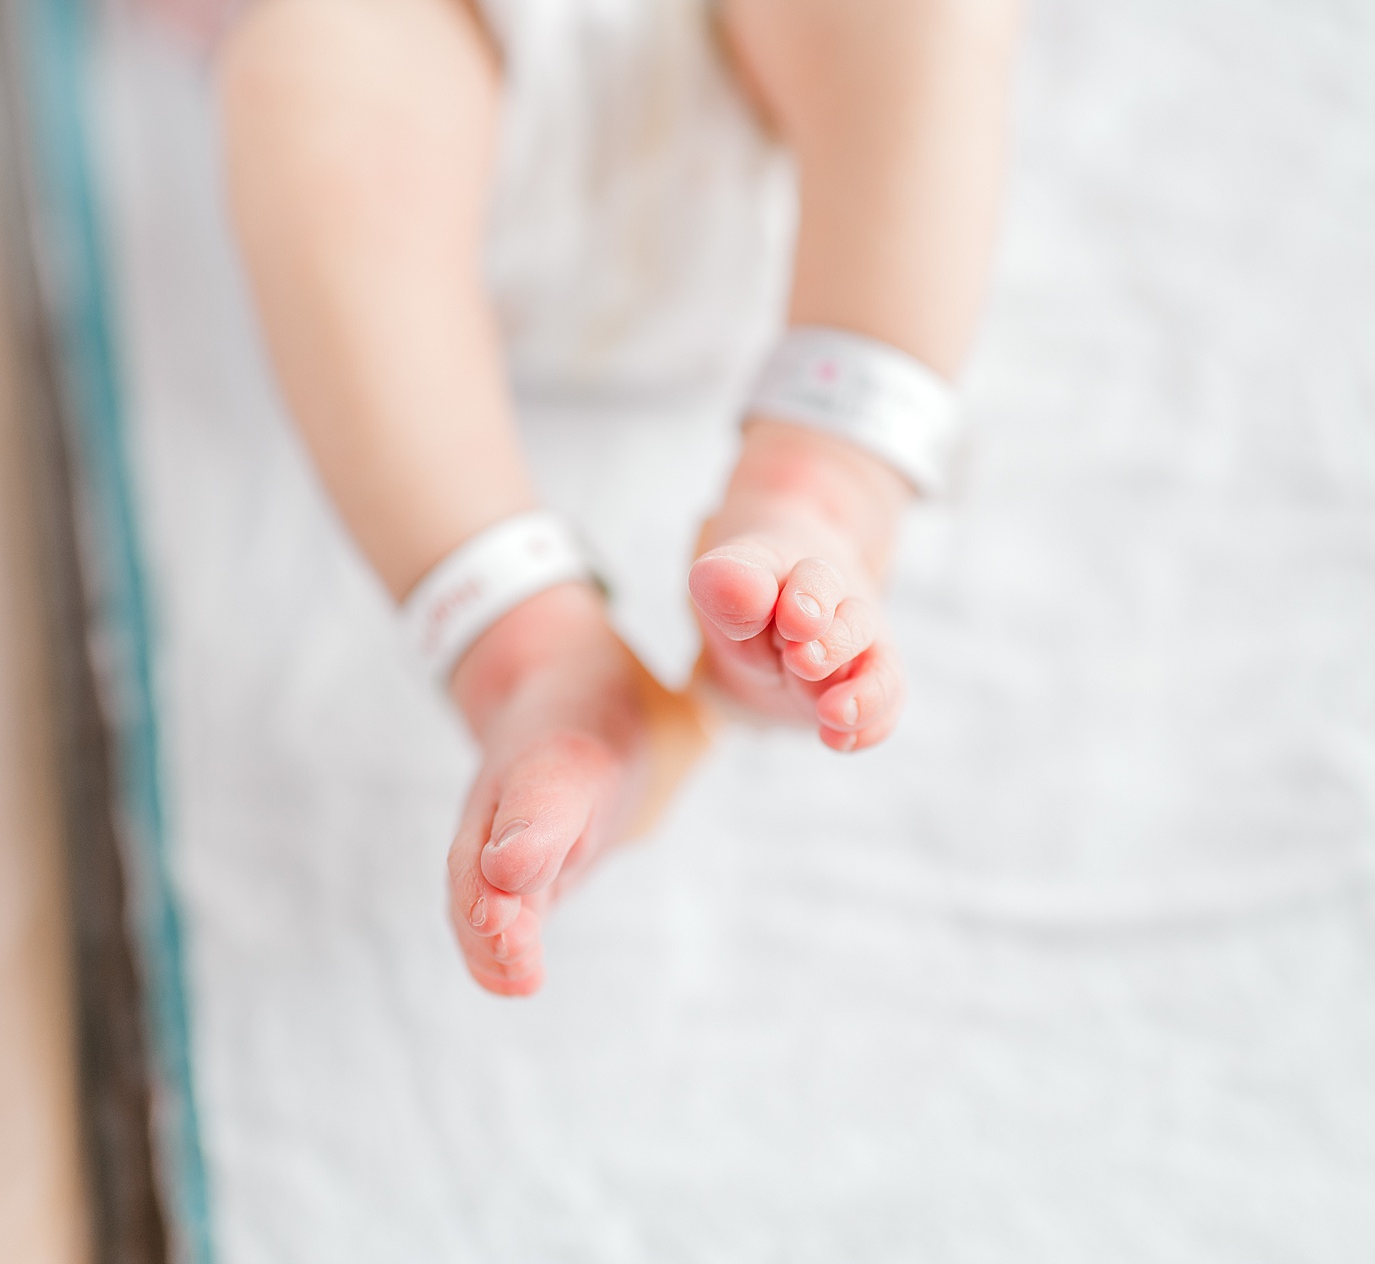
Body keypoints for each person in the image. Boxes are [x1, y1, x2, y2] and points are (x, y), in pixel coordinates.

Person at [215, 0, 1017, 995]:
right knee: (301, 67)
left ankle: (822, 482)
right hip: (436, 78)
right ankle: (527, 648)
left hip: (762, 91)